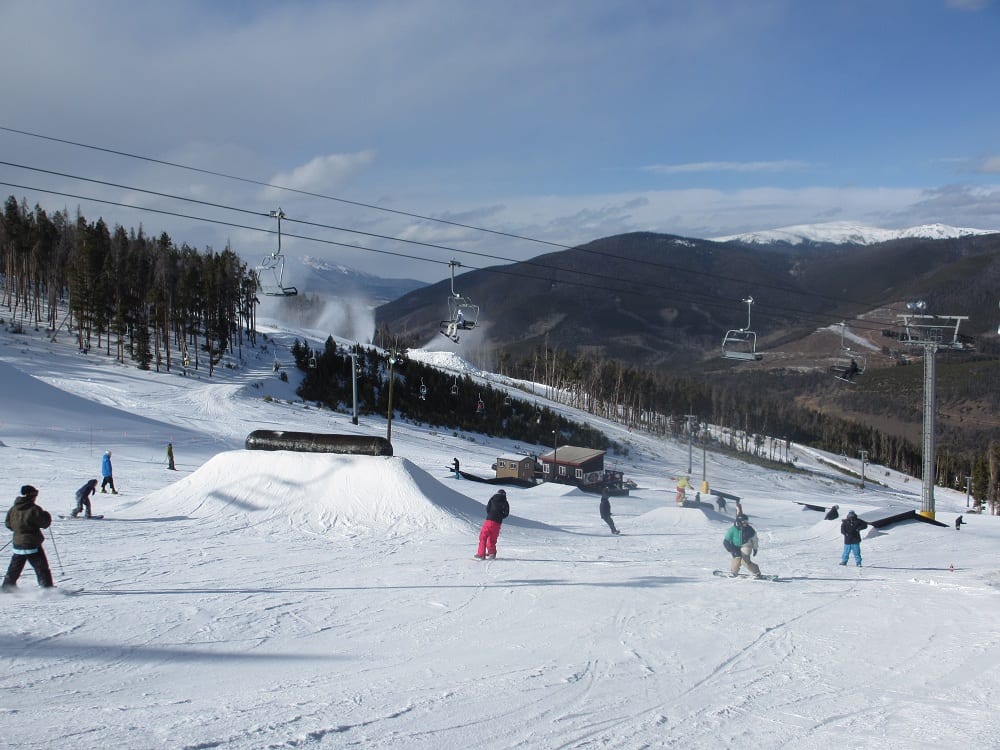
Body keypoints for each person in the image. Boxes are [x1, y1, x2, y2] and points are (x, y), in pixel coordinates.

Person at [2, 485, 54, 591]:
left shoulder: (13, 508)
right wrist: (47, 516)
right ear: (31, 495)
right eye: (35, 494)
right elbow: (44, 523)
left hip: (18, 543)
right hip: (32, 543)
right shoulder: (34, 509)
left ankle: (7, 587)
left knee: (15, 568)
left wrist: (19, 530)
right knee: (41, 567)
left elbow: (8, 524)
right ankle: (47, 589)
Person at [723, 513, 763, 578]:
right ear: (739, 522)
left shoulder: (750, 530)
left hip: (746, 545)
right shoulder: (732, 529)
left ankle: (756, 572)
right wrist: (730, 549)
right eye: (744, 522)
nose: (746, 523)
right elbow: (726, 541)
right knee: (737, 558)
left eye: (746, 521)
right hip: (735, 546)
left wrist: (755, 548)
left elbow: (755, 540)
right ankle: (734, 572)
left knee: (744, 561)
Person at [475, 489, 509, 560]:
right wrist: (500, 516)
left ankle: (481, 554)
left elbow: (488, 509)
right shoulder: (505, 502)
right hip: (498, 523)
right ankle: (492, 553)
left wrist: (491, 514)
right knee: (492, 538)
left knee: (483, 537)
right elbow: (506, 514)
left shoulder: (492, 499)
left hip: (489, 520)